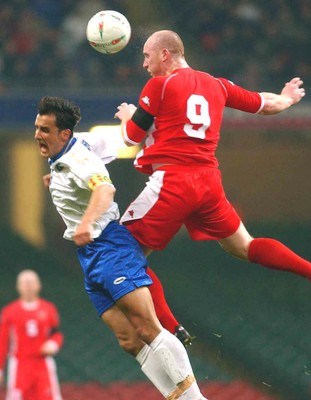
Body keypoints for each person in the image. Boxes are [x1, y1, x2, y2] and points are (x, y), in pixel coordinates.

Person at [114, 30, 311, 302]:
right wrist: (287, 98)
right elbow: (266, 105)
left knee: (121, 254)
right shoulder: (218, 85)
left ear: (164, 54)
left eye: (147, 57)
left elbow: (129, 138)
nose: (144, 64)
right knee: (245, 245)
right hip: (208, 183)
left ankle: (172, 332)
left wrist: (126, 115)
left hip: (172, 181)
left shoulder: (159, 86)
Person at [34, 96, 206, 400]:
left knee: (149, 328)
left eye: (45, 130)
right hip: (89, 257)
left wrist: (87, 222)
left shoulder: (78, 160)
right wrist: (129, 120)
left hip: (109, 246)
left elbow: (104, 188)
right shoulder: (78, 146)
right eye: (37, 128)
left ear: (64, 135)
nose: (38, 135)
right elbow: (116, 143)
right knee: (129, 340)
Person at [0, 269, 63, 400]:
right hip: (20, 364)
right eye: (24, 283)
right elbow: (2, 342)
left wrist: (53, 344)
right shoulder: (9, 312)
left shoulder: (48, 309)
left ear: (39, 285)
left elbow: (56, 334)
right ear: (18, 286)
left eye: (31, 282)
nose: (28, 286)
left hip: (43, 363)